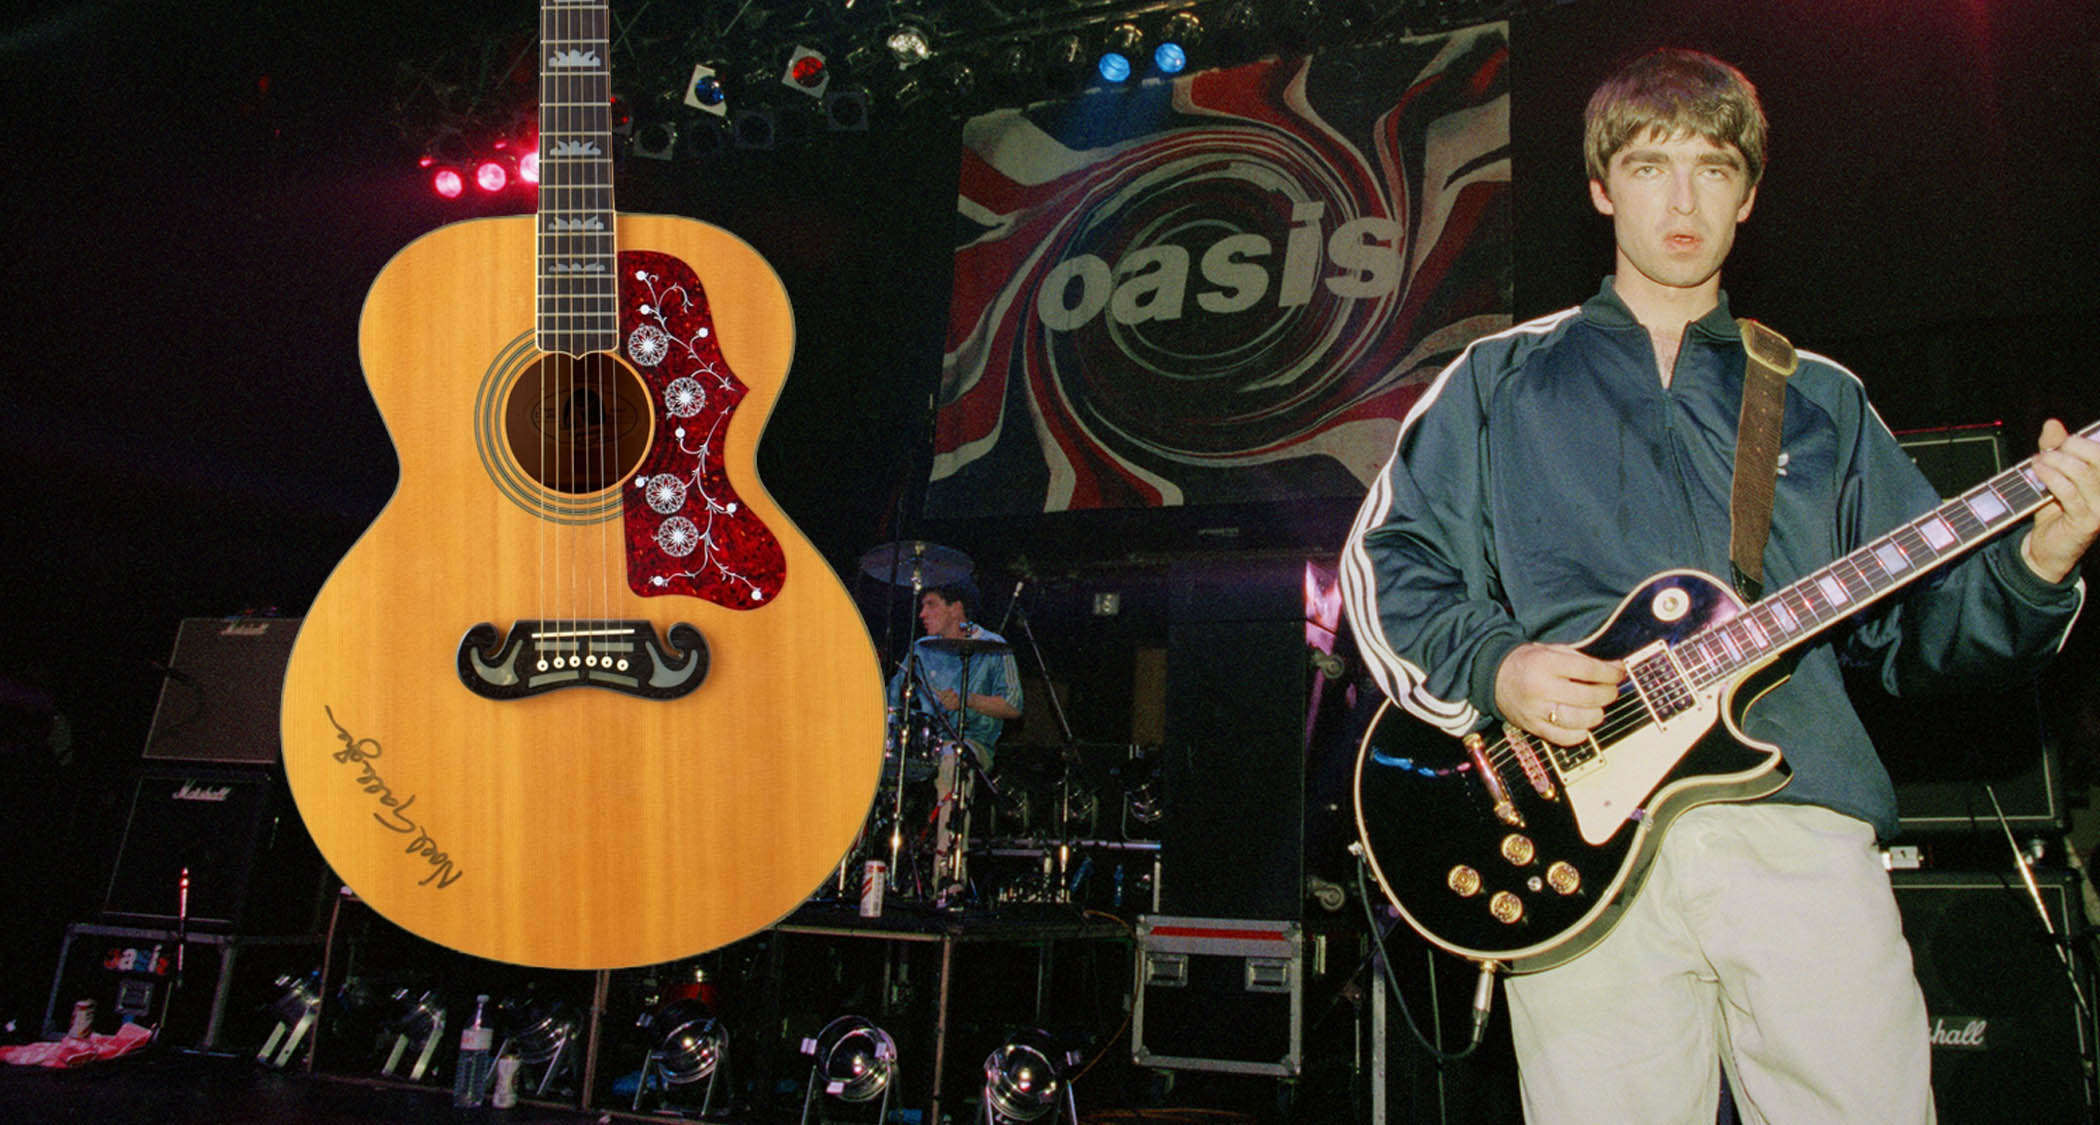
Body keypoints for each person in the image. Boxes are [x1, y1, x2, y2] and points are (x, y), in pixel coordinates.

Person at [1341, 47, 2100, 1123]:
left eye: (1713, 168)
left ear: (1749, 196)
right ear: (1603, 189)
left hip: (1798, 829)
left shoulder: (1822, 399)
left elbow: (1922, 636)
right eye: (1651, 166)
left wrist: (2039, 564)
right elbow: (1387, 565)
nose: (1683, 198)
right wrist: (1495, 664)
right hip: (1575, 858)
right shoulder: (1496, 379)